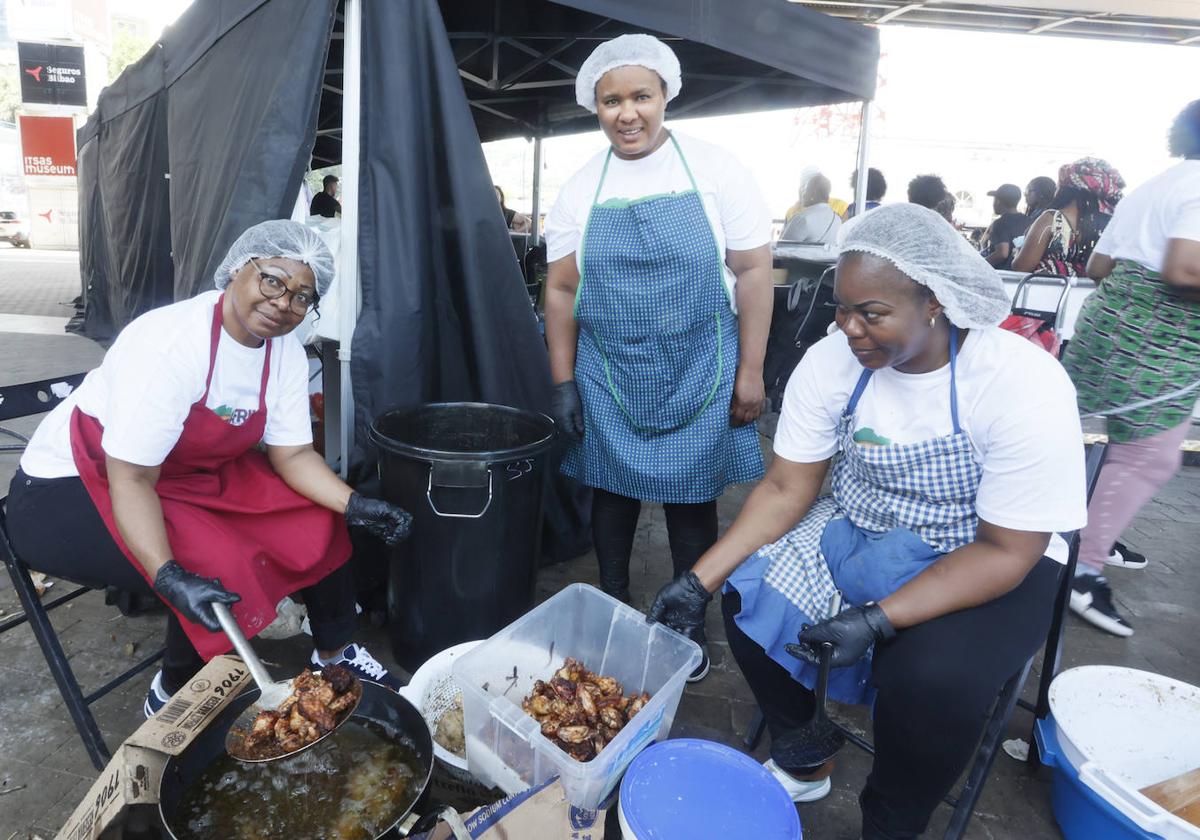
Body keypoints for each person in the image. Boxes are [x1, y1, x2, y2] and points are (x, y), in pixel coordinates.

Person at [648, 204, 1086, 839]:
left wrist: (878, 618)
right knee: (748, 591)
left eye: (873, 314)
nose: (850, 329)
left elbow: (1007, 550)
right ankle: (807, 752)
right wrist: (697, 581)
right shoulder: (833, 362)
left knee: (929, 680)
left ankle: (891, 820)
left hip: (984, 549)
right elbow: (786, 487)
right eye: (841, 309)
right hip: (866, 519)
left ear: (935, 302)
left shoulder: (1018, 381)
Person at [6, 220, 412, 715]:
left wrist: (356, 504)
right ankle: (173, 694)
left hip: (183, 470)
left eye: (303, 296)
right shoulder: (171, 344)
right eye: (273, 280)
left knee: (316, 515)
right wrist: (168, 573)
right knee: (207, 560)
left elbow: (293, 455)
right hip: (70, 486)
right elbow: (132, 477)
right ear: (239, 268)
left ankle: (334, 654)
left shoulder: (281, 346)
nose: (284, 303)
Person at [543, 34, 772, 682]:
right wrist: (563, 382)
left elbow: (754, 272)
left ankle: (683, 618)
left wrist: (750, 371)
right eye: (611, 100)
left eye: (640, 95)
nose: (627, 112)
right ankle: (612, 601)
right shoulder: (582, 186)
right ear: (597, 107)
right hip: (611, 366)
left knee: (691, 492)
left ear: (665, 95)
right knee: (610, 488)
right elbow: (560, 288)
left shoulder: (716, 169)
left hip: (700, 362)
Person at [1061, 99, 1200, 637]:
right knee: (1146, 456)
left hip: (1109, 322)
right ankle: (1083, 567)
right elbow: (1185, 266)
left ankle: (1074, 537)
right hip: (1157, 342)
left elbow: (1099, 265)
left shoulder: (1154, 184)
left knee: (1097, 441)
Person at [1012, 158, 1124, 276]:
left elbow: (1021, 268)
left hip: (1050, 293)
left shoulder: (1051, 220)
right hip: (1091, 293)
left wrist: (1019, 249)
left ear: (1065, 186)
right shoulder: (1111, 225)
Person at [779, 173, 842, 246]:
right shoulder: (837, 220)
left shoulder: (803, 219)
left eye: (805, 190)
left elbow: (782, 248)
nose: (803, 194)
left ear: (813, 193)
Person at [980, 183, 1029, 270]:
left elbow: (1002, 253)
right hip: (1022, 274)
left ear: (998, 201)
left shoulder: (1000, 223)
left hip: (1003, 275)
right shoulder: (1029, 221)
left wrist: (981, 264)